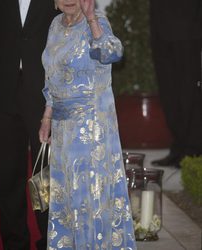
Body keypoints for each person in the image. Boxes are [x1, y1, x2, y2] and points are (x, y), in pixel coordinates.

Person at [39, 0, 137, 249]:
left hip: (89, 129)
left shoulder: (97, 21)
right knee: (67, 198)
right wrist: (47, 117)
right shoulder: (55, 25)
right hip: (62, 129)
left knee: (87, 198)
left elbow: (112, 52)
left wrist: (92, 19)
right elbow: (51, 76)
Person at [0, 0, 57, 249]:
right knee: (6, 173)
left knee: (45, 172)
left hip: (45, 93)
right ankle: (14, 242)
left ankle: (49, 240)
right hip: (2, 91)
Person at [150, 0, 202, 168]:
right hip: (160, 27)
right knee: (168, 92)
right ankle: (178, 148)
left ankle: (193, 150)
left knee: (189, 92)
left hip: (188, 29)